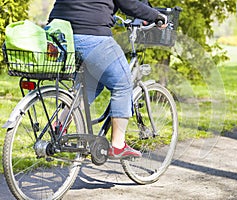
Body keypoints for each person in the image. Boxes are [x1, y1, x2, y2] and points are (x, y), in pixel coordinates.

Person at [48, 0, 167, 159]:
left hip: (59, 33)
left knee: (90, 85)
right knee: (123, 84)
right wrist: (156, 16)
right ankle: (118, 146)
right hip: (90, 34)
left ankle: (60, 125)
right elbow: (129, 4)